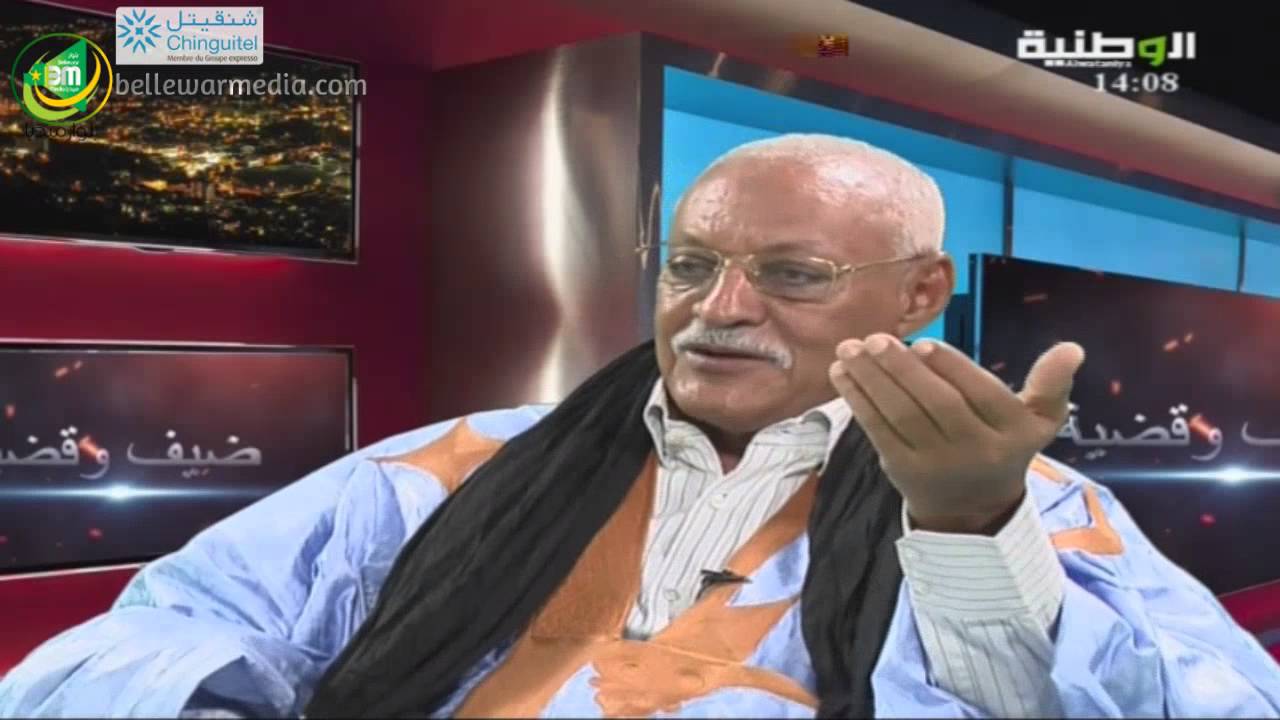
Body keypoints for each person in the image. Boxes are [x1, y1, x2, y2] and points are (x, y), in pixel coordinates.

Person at [3, 134, 1279, 719]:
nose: (719, 310)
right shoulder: (454, 465)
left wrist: (966, 531)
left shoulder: (1040, 510)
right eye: (690, 265)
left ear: (918, 295)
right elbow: (170, 625)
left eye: (791, 276)